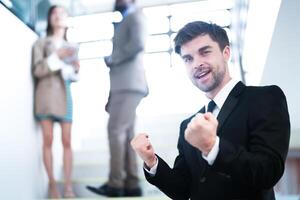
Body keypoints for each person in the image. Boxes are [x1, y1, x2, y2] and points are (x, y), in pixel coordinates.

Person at [131, 21, 290, 200]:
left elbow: (268, 172)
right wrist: (152, 161)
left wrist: (213, 147)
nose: (196, 64)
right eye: (188, 59)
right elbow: (182, 190)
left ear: (226, 53)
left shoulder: (264, 98)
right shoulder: (188, 126)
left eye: (205, 52)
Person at [86, 0, 148, 197]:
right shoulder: (129, 17)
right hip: (126, 85)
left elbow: (138, 44)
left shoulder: (136, 15)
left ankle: (115, 183)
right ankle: (131, 184)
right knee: (127, 134)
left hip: (128, 84)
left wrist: (113, 58)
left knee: (115, 130)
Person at [32, 5, 79, 199]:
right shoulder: (42, 42)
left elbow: (71, 76)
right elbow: (37, 70)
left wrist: (76, 69)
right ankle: (52, 184)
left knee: (67, 141)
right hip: (47, 96)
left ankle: (68, 186)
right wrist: (56, 56)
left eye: (62, 13)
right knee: (48, 140)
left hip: (65, 93)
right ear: (50, 18)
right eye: (54, 13)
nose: (58, 16)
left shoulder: (72, 45)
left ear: (67, 19)